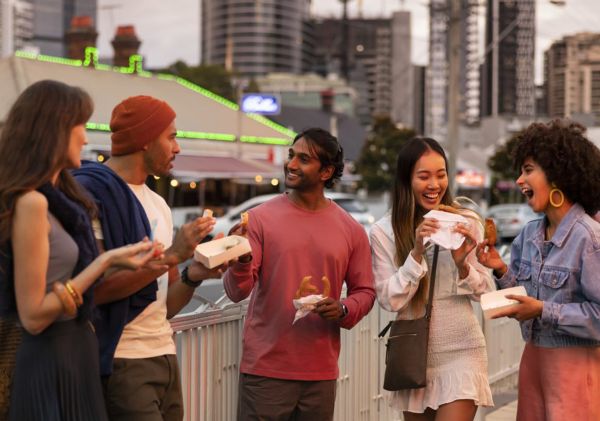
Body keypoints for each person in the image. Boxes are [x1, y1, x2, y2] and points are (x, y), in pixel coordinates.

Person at [0, 80, 161, 421]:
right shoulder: (33, 203)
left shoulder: (61, 201)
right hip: (50, 357)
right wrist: (102, 263)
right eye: (81, 126)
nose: (86, 138)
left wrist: (108, 263)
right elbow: (32, 315)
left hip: (74, 352)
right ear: (55, 129)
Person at [73, 95, 222, 421]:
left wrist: (194, 273)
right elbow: (95, 291)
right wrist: (172, 255)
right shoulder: (91, 194)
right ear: (144, 139)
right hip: (121, 359)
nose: (178, 147)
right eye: (171, 136)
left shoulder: (159, 204)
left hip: (164, 355)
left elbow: (163, 305)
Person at [223, 128, 375, 420]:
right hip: (266, 370)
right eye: (291, 155)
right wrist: (240, 261)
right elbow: (236, 291)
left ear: (326, 171)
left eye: (303, 159)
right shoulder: (258, 219)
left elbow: (365, 292)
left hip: (321, 372)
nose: (291, 164)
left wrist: (343, 308)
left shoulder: (351, 230)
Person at [476, 119, 600, 421]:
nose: (520, 180)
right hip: (534, 362)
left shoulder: (589, 238)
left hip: (574, 368)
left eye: (528, 170)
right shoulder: (528, 235)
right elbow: (525, 295)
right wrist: (501, 269)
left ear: (558, 174)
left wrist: (543, 310)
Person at [370, 137, 494, 421]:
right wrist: (415, 252)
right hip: (414, 355)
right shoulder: (384, 231)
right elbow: (389, 299)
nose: (434, 185)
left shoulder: (466, 222)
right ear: (406, 180)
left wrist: (464, 265)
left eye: (441, 175)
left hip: (463, 350)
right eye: (423, 176)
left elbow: (485, 290)